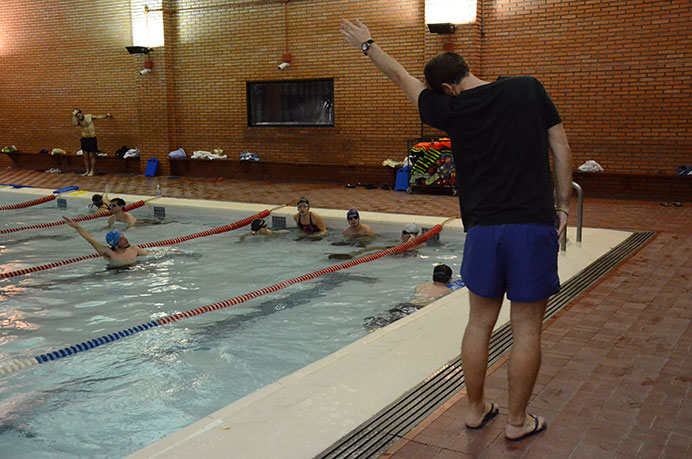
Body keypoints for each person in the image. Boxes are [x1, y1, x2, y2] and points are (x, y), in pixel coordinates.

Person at [340, 19, 572, 441]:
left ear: (445, 89)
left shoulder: (450, 108)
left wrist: (367, 44)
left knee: (479, 324)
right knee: (526, 329)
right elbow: (559, 144)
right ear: (463, 70)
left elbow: (399, 76)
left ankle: (474, 410)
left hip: (483, 230)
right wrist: (563, 205)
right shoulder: (527, 88)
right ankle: (518, 423)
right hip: (531, 226)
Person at [364, 263, 454, 328]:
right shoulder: (448, 292)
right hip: (418, 310)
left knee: (379, 322)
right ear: (449, 280)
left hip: (405, 305)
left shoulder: (421, 286)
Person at [63, 217, 148, 267]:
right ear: (115, 244)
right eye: (121, 239)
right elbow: (91, 240)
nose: (126, 239)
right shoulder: (109, 253)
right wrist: (77, 227)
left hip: (134, 270)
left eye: (124, 237)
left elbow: (151, 256)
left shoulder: (134, 249)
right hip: (114, 275)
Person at [72, 109, 111, 177]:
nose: (79, 116)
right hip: (84, 139)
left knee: (91, 155)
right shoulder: (78, 121)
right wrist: (73, 115)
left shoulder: (89, 116)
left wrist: (106, 116)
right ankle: (87, 170)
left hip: (92, 138)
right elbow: (74, 124)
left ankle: (92, 171)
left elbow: (98, 117)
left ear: (82, 113)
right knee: (85, 156)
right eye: (77, 116)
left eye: (79, 114)